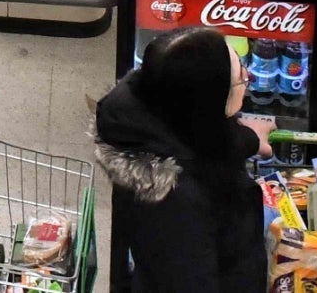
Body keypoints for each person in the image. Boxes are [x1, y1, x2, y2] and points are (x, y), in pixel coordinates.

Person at [93, 27, 266, 293]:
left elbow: (203, 142)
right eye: (238, 79)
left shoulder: (160, 109)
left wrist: (251, 139)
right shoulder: (175, 206)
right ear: (208, 102)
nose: (247, 75)